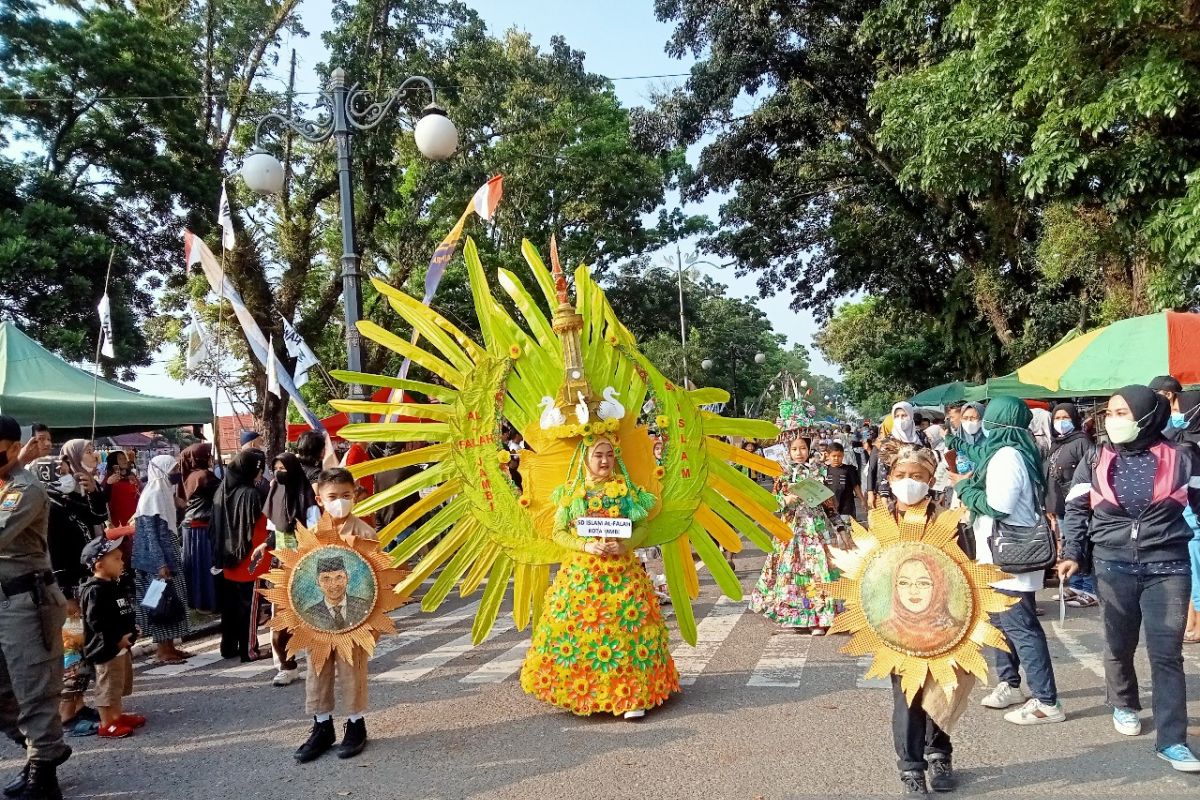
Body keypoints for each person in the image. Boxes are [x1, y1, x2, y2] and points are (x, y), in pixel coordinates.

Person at [1060, 385, 1200, 772]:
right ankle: (1123, 702)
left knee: (1167, 654)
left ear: (1146, 416)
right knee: (1118, 644)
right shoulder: (1096, 456)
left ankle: (1172, 741)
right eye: (1111, 412)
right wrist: (1073, 553)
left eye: (1123, 412)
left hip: (1168, 566)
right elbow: (1076, 510)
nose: (1113, 419)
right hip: (1112, 564)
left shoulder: (1184, 457)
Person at [518, 437, 675, 719]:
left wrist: (625, 545)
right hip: (582, 576)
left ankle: (632, 695)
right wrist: (586, 545)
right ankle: (583, 692)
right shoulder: (571, 494)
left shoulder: (626, 491)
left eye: (610, 455)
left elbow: (642, 527)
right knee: (582, 634)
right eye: (598, 455)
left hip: (622, 575)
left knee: (626, 632)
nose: (604, 461)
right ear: (585, 459)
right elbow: (558, 532)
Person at [950, 396, 1065, 726]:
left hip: (1010, 556)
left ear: (997, 423)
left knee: (1020, 626)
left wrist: (966, 490)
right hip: (1000, 555)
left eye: (987, 419)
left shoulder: (1007, 456)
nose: (980, 424)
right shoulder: (1008, 452)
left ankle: (1046, 701)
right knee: (1001, 624)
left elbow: (998, 505)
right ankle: (1010, 683)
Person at [876, 443, 961, 795]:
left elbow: (963, 572)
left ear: (930, 479)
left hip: (942, 623)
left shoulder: (944, 519)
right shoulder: (880, 520)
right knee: (908, 695)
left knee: (941, 688)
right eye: (901, 475)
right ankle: (911, 767)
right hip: (896, 626)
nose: (908, 482)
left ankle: (939, 753)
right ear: (890, 478)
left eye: (917, 476)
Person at [0, 415, 72, 799]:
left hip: (26, 602)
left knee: (34, 690)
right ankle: (43, 751)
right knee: (3, 694)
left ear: (13, 449)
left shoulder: (23, 489)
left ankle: (44, 774)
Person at [294, 468, 380, 763]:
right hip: (317, 618)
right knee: (317, 669)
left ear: (355, 495)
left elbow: (377, 578)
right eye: (332, 497)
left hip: (355, 617)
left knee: (352, 669)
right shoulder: (311, 535)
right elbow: (299, 577)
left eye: (346, 495)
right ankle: (322, 725)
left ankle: (355, 724)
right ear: (319, 499)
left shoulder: (365, 533)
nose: (339, 502)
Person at [749, 436, 841, 634]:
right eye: (794, 449)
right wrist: (785, 499)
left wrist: (840, 526)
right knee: (791, 574)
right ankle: (794, 615)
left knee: (817, 571)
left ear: (809, 450)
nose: (799, 453)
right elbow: (770, 502)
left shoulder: (818, 472)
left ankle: (819, 619)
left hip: (816, 530)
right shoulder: (782, 474)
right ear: (788, 451)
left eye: (803, 448)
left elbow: (829, 503)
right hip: (790, 531)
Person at [252, 452, 316, 686]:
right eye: (276, 467)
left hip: (305, 566)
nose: (280, 472)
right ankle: (287, 666)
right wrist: (265, 545)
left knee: (311, 617)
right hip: (280, 566)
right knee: (280, 621)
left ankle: (321, 658)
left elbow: (315, 532)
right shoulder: (274, 494)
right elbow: (274, 531)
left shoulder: (306, 497)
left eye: (284, 468)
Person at [78, 536, 145, 740]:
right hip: (107, 648)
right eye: (116, 559)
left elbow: (122, 611)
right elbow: (97, 621)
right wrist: (117, 638)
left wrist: (132, 628)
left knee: (118, 684)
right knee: (107, 686)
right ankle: (107, 723)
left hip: (121, 645)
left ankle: (117, 716)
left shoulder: (114, 585)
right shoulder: (95, 591)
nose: (122, 562)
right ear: (99, 565)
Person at [130, 455, 191, 666]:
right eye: (172, 469)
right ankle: (162, 651)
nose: (175, 474)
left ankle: (171, 647)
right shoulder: (153, 495)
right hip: (154, 562)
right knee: (160, 604)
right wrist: (160, 564)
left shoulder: (164, 492)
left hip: (168, 555)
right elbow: (150, 535)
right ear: (162, 470)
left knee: (174, 601)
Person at [210, 450, 268, 662]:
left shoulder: (222, 490)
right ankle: (249, 649)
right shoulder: (251, 494)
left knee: (231, 607)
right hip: (250, 559)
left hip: (228, 559)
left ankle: (228, 646)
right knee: (250, 607)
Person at [1044, 402, 1097, 608]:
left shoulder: (1081, 441)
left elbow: (1090, 472)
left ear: (1074, 419)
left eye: (1065, 418)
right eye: (1057, 418)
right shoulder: (1057, 443)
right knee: (1070, 545)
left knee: (1084, 543)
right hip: (1062, 506)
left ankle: (1089, 588)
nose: (1061, 422)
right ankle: (1075, 585)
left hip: (1080, 504)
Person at [178, 443, 220, 614]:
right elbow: (223, 493)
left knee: (195, 567)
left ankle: (198, 601)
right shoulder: (204, 476)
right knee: (205, 566)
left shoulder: (189, 475)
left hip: (191, 527)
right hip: (202, 527)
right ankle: (207, 602)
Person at [1174, 392, 1200, 643]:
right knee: (1192, 575)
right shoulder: (1184, 439)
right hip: (1187, 520)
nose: (1175, 415)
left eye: (1178, 409)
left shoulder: (1191, 446)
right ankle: (1192, 621)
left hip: (1195, 520)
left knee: (1196, 575)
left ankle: (1198, 625)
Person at [870, 402, 930, 507]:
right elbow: (883, 469)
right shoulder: (889, 440)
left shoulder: (921, 437)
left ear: (910, 416)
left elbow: (930, 463)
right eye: (897, 416)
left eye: (904, 415)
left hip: (919, 489)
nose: (900, 419)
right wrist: (884, 494)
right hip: (895, 493)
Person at [824, 442, 865, 525]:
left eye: (839, 456)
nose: (836, 458)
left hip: (846, 507)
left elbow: (856, 486)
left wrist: (862, 500)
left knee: (848, 529)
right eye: (833, 456)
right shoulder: (824, 470)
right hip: (830, 509)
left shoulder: (849, 469)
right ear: (828, 456)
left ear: (843, 455)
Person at [103, 451, 140, 528]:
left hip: (134, 516)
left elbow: (137, 492)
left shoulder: (131, 475)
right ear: (114, 462)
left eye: (124, 458)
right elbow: (104, 498)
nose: (124, 460)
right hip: (119, 520)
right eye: (120, 459)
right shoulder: (110, 479)